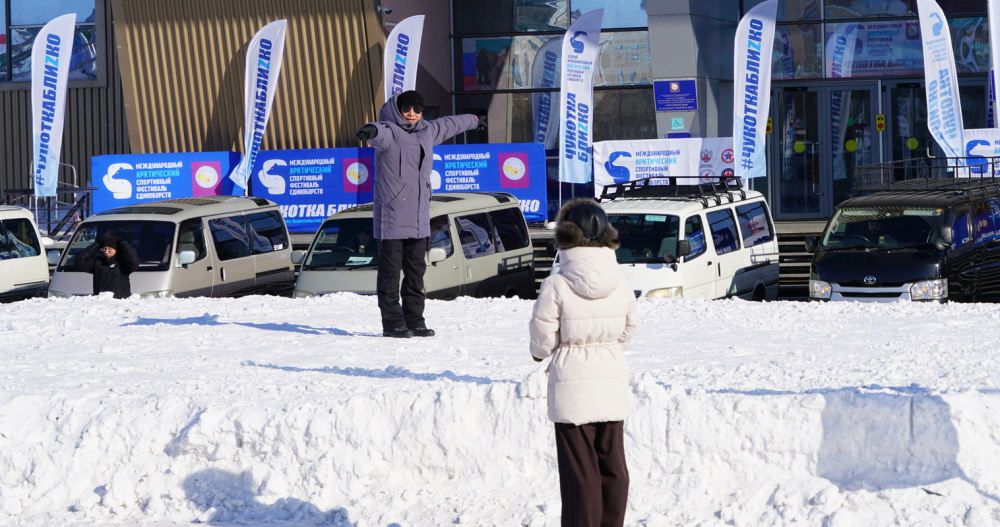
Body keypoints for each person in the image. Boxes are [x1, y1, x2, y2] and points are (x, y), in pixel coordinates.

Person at [528, 199, 637, 527]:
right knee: (613, 468)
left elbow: (542, 341)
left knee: (581, 477)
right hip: (612, 379)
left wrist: (543, 352)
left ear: (565, 237)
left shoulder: (557, 284)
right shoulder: (620, 279)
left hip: (572, 387)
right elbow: (629, 328)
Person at [356, 90, 484, 338]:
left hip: (418, 218)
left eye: (417, 110)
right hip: (392, 218)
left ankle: (415, 320)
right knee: (391, 274)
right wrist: (369, 132)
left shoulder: (428, 130)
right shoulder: (390, 131)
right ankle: (393, 322)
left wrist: (475, 120)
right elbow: (378, 131)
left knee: (416, 274)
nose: (412, 114)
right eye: (407, 110)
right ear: (397, 110)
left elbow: (450, 123)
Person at [73, 234, 140, 299]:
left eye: (110, 249)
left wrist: (124, 244)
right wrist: (96, 245)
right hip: (101, 305)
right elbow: (79, 261)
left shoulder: (122, 263)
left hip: (120, 304)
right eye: (104, 248)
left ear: (116, 250)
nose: (106, 252)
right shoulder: (98, 262)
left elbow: (134, 261)